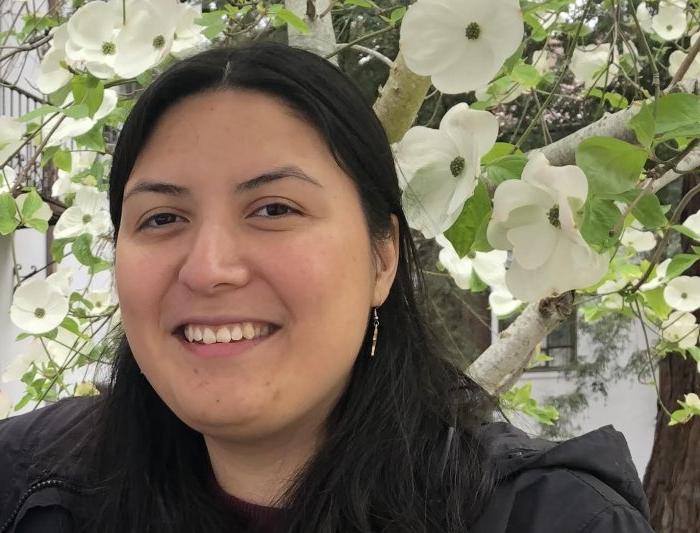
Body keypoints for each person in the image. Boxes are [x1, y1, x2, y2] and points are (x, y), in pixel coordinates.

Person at [0, 43, 654, 533]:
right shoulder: (31, 488)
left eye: (274, 209)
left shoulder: (547, 516)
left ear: (383, 257)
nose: (208, 268)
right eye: (162, 218)